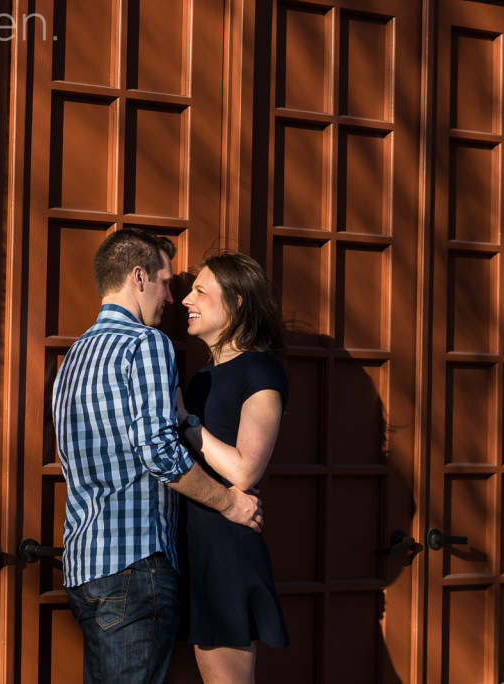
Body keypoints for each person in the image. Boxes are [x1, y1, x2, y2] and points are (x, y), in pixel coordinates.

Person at [51, 228, 263, 684]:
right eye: (167, 283)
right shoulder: (145, 343)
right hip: (134, 569)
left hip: (85, 567)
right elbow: (158, 453)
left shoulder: (74, 356)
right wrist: (230, 502)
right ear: (138, 276)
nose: (172, 298)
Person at [175, 251, 290, 684]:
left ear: (238, 301)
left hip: (224, 552)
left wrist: (186, 421)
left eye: (201, 291)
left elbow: (244, 471)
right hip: (193, 547)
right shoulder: (202, 377)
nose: (187, 299)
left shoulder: (260, 369)